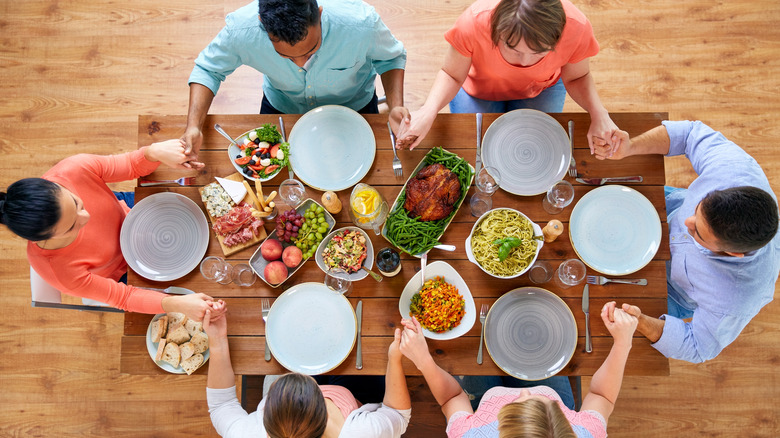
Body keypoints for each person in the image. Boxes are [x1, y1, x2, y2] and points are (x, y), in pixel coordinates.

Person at [593, 120, 780, 363]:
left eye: (698, 233)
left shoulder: (736, 297)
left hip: (669, 289)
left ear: (732, 254)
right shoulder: (734, 171)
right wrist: (631, 146)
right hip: (663, 208)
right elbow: (691, 133)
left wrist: (641, 321)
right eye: (697, 210)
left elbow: (698, 347)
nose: (686, 224)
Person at [0, 140, 223, 321]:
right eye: (71, 227)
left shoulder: (72, 169)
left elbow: (130, 164)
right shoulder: (60, 272)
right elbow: (124, 297)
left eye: (77, 204)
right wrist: (173, 303)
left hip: (129, 212)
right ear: (44, 239)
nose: (86, 217)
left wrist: (154, 152)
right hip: (126, 270)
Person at [183, 0, 408, 158]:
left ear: (319, 14)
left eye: (311, 51)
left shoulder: (361, 23)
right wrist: (194, 126)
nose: (301, 64)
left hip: (354, 105)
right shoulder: (242, 29)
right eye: (286, 56)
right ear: (262, 22)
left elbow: (391, 58)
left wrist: (396, 105)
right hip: (282, 107)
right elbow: (208, 69)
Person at [395, 0, 618, 151]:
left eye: (538, 53)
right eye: (514, 49)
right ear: (496, 29)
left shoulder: (577, 28)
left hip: (541, 87)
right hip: (478, 89)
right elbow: (452, 75)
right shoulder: (473, 23)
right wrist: (428, 110)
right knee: (479, 146)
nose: (524, 62)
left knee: (531, 145)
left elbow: (577, 77)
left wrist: (599, 113)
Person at [398, 303, 637, 437]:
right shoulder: (586, 433)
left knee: (469, 350)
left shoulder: (470, 434)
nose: (528, 393)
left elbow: (451, 397)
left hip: (483, 402)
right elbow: (601, 397)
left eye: (519, 403)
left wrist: (423, 359)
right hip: (545, 382)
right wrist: (623, 342)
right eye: (549, 406)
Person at [205, 308, 412, 437]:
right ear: (323, 412)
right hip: (356, 400)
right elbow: (398, 415)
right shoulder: (363, 433)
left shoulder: (245, 434)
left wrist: (217, 341)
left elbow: (221, 405)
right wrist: (394, 359)